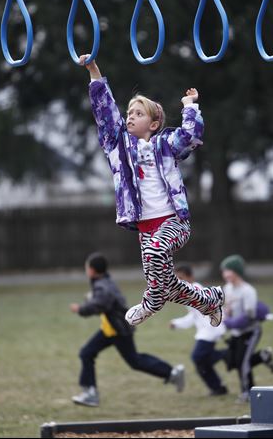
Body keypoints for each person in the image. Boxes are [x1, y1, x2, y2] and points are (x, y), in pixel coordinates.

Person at [79, 54, 224, 328]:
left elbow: (191, 136)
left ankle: (151, 301)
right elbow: (104, 111)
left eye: (138, 113)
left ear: (154, 124)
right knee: (165, 284)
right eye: (129, 113)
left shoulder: (165, 144)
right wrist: (93, 69)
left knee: (156, 259)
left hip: (173, 222)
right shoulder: (118, 147)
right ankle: (210, 299)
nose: (130, 117)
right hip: (146, 227)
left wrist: (190, 106)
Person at [70, 252, 186, 407]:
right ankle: (90, 392)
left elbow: (100, 304)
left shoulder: (102, 286)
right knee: (87, 353)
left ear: (91, 270)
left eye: (86, 267)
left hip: (119, 329)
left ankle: (172, 373)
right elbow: (104, 302)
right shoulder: (104, 282)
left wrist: (81, 309)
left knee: (134, 360)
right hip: (111, 328)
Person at [220, 254, 273, 403]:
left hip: (250, 332)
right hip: (236, 332)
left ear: (237, 271)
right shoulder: (227, 288)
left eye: (228, 270)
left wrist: (230, 323)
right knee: (235, 361)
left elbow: (249, 316)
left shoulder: (248, 290)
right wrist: (225, 316)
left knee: (242, 363)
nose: (225, 274)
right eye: (224, 271)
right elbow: (227, 309)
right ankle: (263, 356)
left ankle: (248, 392)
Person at [170, 263, 228, 396]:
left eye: (181, 278)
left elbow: (215, 309)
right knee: (202, 363)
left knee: (198, 357)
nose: (179, 281)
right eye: (177, 279)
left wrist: (217, 327)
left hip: (211, 330)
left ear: (191, 277)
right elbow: (194, 316)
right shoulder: (188, 292)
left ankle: (227, 354)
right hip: (206, 331)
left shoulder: (196, 290)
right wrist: (177, 323)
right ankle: (218, 388)